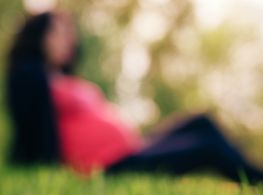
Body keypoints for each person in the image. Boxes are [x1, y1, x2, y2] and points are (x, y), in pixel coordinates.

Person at [6, 11, 263, 182]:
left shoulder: (64, 78)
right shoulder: (32, 76)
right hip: (111, 165)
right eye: (57, 32)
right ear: (38, 36)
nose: (67, 40)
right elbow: (33, 131)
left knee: (201, 121)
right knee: (207, 149)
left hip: (133, 148)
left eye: (67, 33)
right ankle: (257, 181)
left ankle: (255, 174)